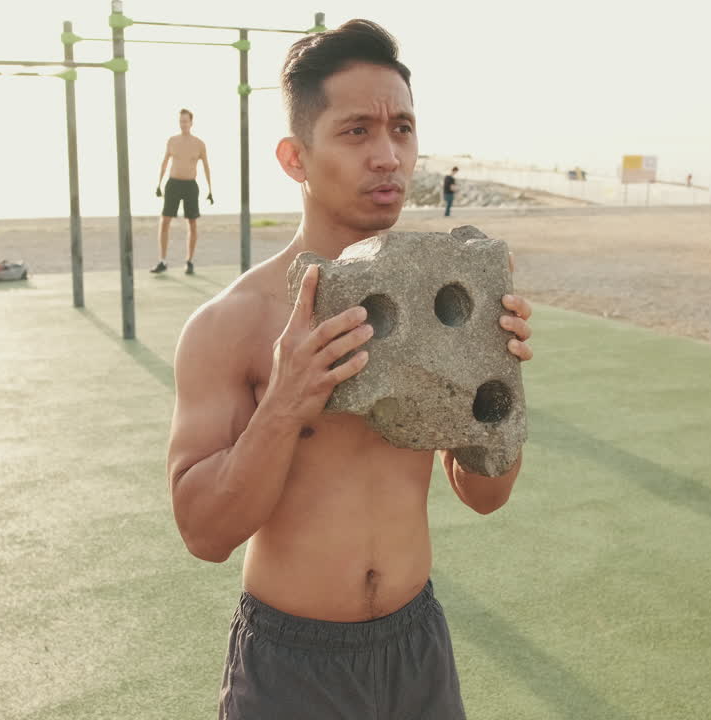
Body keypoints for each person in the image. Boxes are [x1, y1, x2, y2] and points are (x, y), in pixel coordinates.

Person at [166, 20, 534, 719]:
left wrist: (498, 389)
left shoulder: (446, 298)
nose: (389, 156)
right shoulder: (231, 324)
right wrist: (286, 403)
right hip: (291, 664)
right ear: (295, 158)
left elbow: (486, 496)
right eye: (357, 131)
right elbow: (203, 533)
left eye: (402, 128)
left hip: (416, 645)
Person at [153, 108, 213, 275]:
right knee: (165, 221)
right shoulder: (172, 141)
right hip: (173, 184)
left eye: (185, 121)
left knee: (192, 223)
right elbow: (164, 162)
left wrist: (210, 190)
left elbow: (206, 166)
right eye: (181, 121)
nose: (183, 124)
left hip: (190, 185)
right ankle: (162, 261)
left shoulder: (199, 144)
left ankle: (189, 261)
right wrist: (158, 184)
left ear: (191, 123)